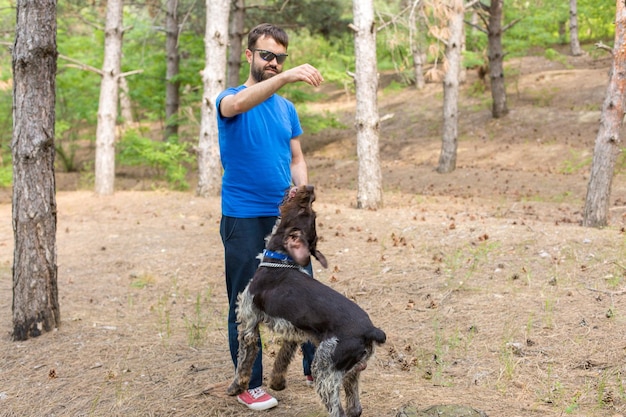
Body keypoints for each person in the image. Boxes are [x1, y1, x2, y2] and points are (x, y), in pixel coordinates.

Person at [216, 23, 324, 411]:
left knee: (307, 291)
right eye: (267, 55)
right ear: (249, 56)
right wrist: (291, 77)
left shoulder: (287, 109)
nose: (274, 63)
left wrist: (303, 198)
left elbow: (296, 158)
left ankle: (315, 366)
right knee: (247, 303)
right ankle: (251, 382)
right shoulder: (230, 99)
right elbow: (240, 104)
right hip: (243, 217)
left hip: (285, 221)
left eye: (281, 58)